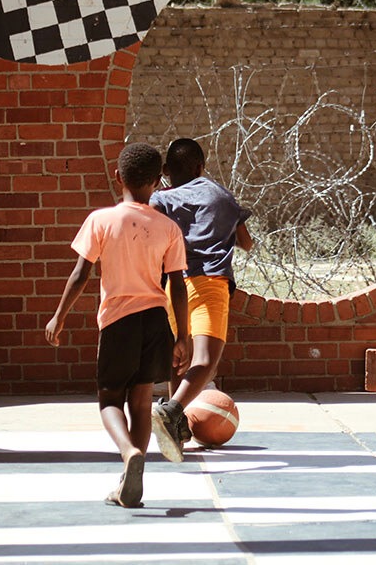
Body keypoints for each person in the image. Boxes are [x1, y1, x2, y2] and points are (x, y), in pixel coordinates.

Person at [45, 143, 190, 508]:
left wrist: (59, 316)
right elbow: (176, 286)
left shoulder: (101, 219)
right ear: (159, 182)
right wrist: (183, 336)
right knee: (141, 402)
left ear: (118, 176)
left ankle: (128, 453)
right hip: (156, 321)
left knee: (110, 399)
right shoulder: (168, 227)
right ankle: (130, 479)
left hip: (118, 321)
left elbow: (81, 274)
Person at [148, 138, 252, 462]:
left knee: (179, 358)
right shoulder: (220, 196)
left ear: (165, 170)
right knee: (206, 361)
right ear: (200, 168)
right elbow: (246, 243)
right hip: (210, 284)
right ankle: (173, 410)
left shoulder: (160, 199)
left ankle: (175, 432)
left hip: (175, 287)